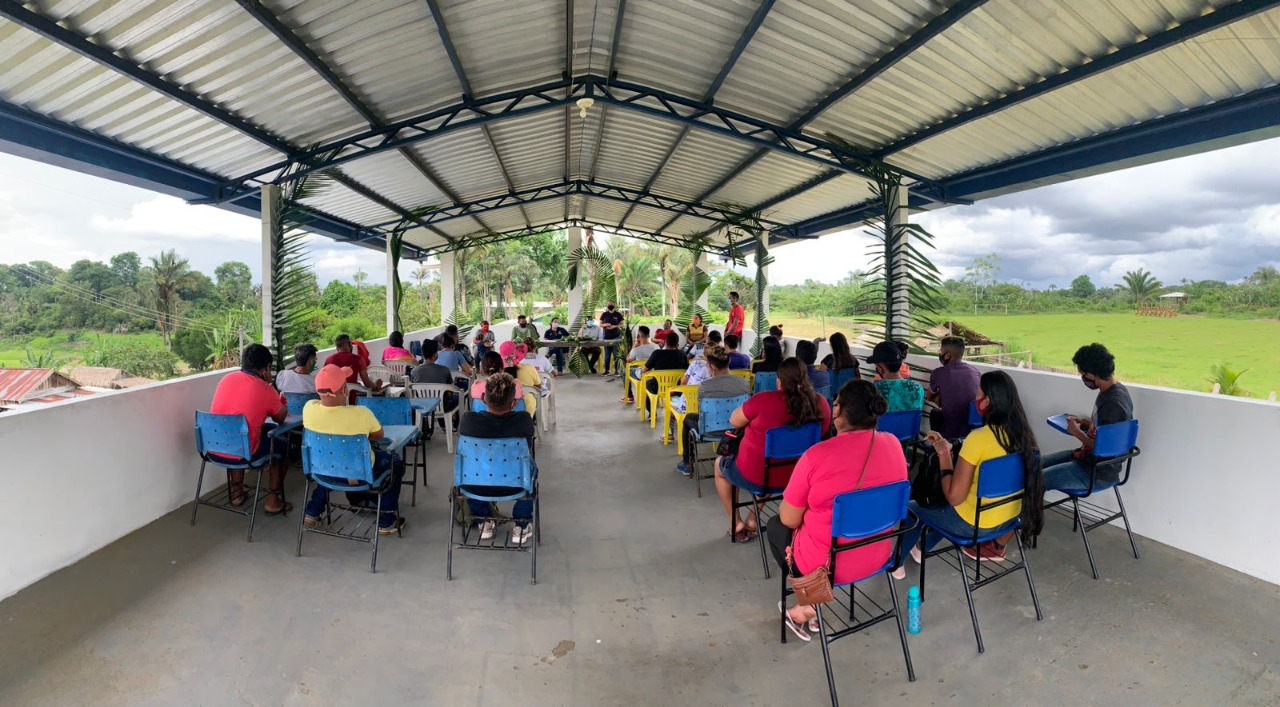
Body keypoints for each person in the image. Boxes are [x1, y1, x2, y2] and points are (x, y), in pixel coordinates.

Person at [768, 380, 907, 639]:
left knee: (776, 526)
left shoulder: (816, 455)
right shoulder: (894, 444)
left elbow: (788, 518)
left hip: (828, 569)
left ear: (838, 412)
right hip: (878, 554)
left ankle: (809, 603)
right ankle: (810, 604)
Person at [895, 370, 1043, 569]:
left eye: (978, 393)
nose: (975, 398)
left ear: (987, 401)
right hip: (1009, 519)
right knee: (940, 510)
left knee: (913, 508)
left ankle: (894, 563)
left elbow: (954, 498)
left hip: (974, 525)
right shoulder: (1024, 436)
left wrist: (943, 453)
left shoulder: (978, 438)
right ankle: (922, 549)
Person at [714, 358, 831, 541]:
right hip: (796, 477)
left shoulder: (763, 400)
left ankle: (735, 521)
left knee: (720, 466)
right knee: (774, 460)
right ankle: (752, 519)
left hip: (759, 474)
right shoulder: (820, 403)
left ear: (779, 382)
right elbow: (822, 433)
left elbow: (734, 421)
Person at [301, 364, 406, 535]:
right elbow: (379, 435)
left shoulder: (308, 408)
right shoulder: (361, 413)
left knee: (332, 463)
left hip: (323, 470)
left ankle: (312, 512)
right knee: (395, 462)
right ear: (345, 390)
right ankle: (387, 521)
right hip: (359, 471)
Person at [1042, 343, 1134, 493]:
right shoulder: (1115, 390)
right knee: (1033, 464)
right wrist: (1086, 423)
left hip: (1095, 473)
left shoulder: (1113, 403)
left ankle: (1025, 515)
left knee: (1036, 481)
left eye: (1083, 375)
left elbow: (1106, 448)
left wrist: (1077, 433)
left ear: (1092, 375)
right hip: (1087, 459)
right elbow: (1108, 430)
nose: (1083, 378)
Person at [209, 344, 290, 513]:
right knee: (281, 445)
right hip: (244, 451)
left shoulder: (226, 379)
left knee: (237, 434)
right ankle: (273, 501)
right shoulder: (264, 389)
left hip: (215, 445)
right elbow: (280, 418)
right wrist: (278, 397)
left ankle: (237, 494)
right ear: (266, 368)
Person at [459, 373, 538, 545]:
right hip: (516, 486)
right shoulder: (524, 420)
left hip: (474, 487)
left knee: (470, 467)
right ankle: (521, 525)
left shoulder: (468, 420)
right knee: (531, 468)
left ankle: (483, 521)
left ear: (483, 399)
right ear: (514, 403)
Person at [675, 343, 750, 476]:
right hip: (737, 431)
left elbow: (702, 412)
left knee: (688, 418)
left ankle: (687, 463)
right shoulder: (744, 384)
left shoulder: (705, 386)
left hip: (710, 432)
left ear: (713, 367)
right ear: (729, 361)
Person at [928, 335, 981, 440]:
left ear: (947, 355)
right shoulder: (975, 371)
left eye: (941, 352)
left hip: (949, 430)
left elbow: (929, 396)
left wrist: (940, 398)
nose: (940, 354)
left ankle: (936, 448)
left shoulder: (939, 373)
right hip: (972, 429)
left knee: (935, 412)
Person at [865, 341, 923, 413]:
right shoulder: (918, 388)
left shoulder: (874, 391)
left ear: (880, 369)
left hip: (885, 425)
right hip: (908, 424)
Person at [409, 339, 462, 414]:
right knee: (459, 396)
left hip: (422, 406)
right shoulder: (444, 370)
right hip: (442, 406)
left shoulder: (414, 371)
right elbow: (450, 390)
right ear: (434, 355)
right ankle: (453, 422)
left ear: (422, 354)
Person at [499, 340, 542, 415]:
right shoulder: (529, 368)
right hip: (528, 409)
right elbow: (538, 387)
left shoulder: (498, 373)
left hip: (504, 411)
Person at [642, 331, 688, 396]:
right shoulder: (683, 354)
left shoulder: (656, 353)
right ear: (677, 345)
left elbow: (644, 370)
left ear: (665, 343)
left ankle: (651, 405)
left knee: (646, 382)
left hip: (657, 388)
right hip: (677, 389)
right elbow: (687, 372)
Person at [622, 326, 659, 403]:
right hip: (655, 373)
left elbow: (628, 360)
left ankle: (630, 396)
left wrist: (634, 346)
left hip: (642, 373)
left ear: (638, 335)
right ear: (648, 335)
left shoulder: (636, 350)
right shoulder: (656, 347)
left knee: (625, 372)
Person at [599, 302, 625, 376]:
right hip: (606, 337)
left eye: (611, 304)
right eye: (608, 304)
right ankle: (607, 371)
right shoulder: (604, 314)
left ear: (614, 305)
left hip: (616, 337)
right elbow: (600, 324)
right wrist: (606, 324)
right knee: (607, 355)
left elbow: (622, 324)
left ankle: (616, 371)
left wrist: (615, 326)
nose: (610, 305)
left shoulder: (618, 314)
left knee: (616, 354)